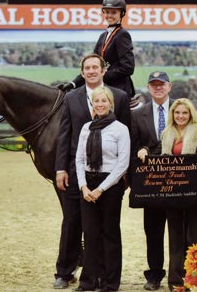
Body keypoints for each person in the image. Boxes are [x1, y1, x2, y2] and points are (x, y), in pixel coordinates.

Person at [53, 54, 131, 289]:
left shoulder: (120, 96)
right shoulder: (71, 97)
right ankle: (65, 272)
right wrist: (60, 168)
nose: (91, 71)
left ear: (103, 70)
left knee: (107, 229)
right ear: (82, 71)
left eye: (95, 67)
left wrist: (125, 176)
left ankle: (106, 278)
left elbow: (128, 137)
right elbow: (65, 134)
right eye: (87, 68)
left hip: (110, 176)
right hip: (80, 173)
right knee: (73, 221)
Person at [131, 71, 197, 291]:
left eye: (162, 84)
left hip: (186, 189)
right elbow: (141, 146)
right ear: (148, 88)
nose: (158, 88)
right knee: (154, 231)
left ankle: (193, 275)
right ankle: (155, 275)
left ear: (169, 87)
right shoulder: (138, 115)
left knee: (188, 232)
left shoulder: (182, 109)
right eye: (153, 85)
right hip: (154, 184)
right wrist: (143, 149)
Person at [74, 86, 130, 292]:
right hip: (87, 183)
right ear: (93, 105)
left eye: (104, 101)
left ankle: (109, 282)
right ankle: (89, 281)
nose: (100, 104)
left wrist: (101, 189)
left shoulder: (120, 129)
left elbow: (122, 164)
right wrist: (83, 186)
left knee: (110, 233)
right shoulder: (86, 128)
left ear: (110, 104)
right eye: (96, 101)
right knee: (90, 233)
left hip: (110, 185)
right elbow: (79, 159)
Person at [159, 98, 197, 291]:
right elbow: (160, 157)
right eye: (177, 113)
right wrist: (143, 151)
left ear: (191, 115)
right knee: (175, 237)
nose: (181, 116)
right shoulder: (166, 133)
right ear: (172, 114)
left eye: (185, 113)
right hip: (173, 193)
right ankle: (175, 281)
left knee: (196, 236)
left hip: (196, 193)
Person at [59, 0, 136, 100]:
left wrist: (100, 76)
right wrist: (73, 84)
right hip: (102, 87)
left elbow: (128, 68)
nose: (109, 15)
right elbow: (92, 64)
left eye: (114, 12)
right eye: (107, 12)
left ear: (121, 13)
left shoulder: (122, 35)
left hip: (118, 89)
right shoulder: (103, 36)